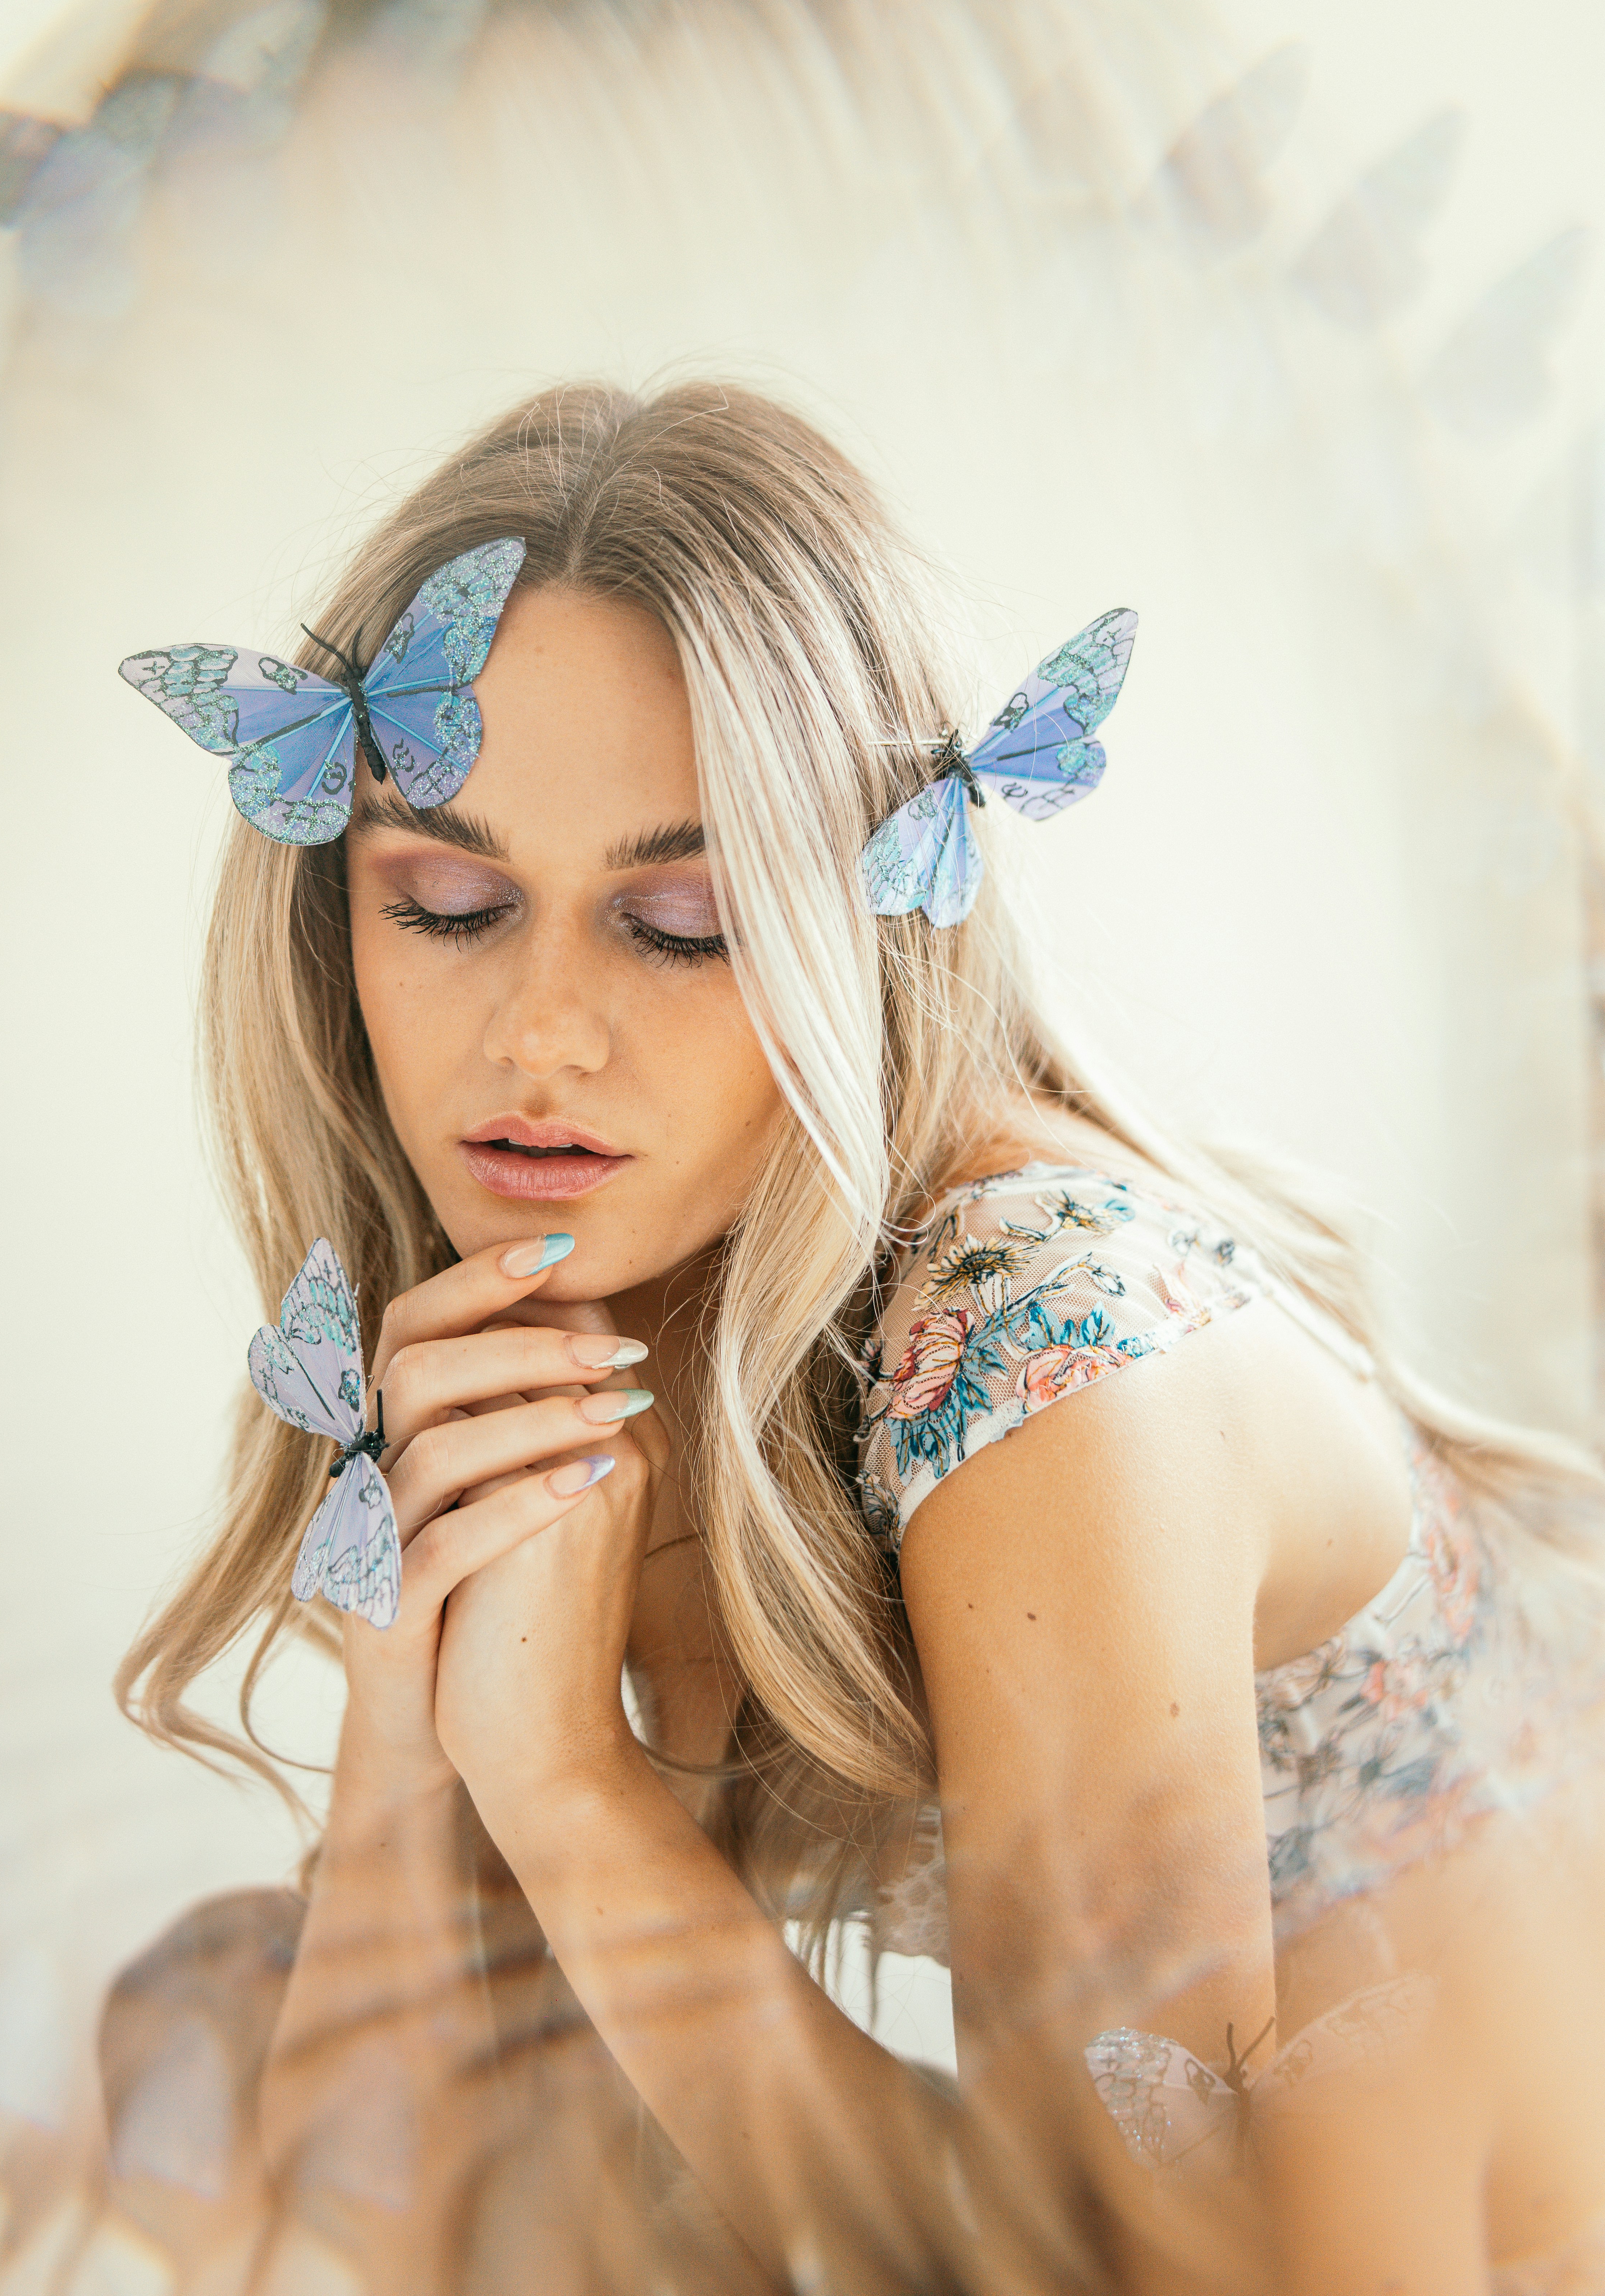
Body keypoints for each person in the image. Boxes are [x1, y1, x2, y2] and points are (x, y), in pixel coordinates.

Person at [106, 379, 1605, 2294]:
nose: (538, 1032)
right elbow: (368, 2219)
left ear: (864, 925)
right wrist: (411, 1726)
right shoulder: (571, 1313)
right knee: (193, 2039)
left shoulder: (1046, 1351)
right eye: (453, 901)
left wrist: (570, 1786)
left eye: (679, 922)